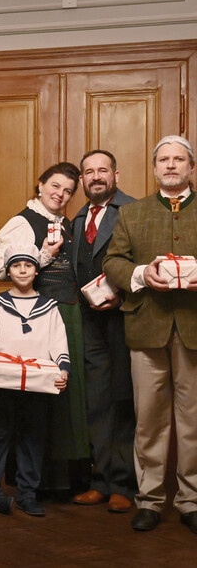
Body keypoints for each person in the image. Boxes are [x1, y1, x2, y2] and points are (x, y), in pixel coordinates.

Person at [103, 135, 197, 534]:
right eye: (164, 160)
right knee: (149, 422)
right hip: (145, 328)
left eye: (179, 159)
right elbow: (113, 261)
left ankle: (191, 501)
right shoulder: (132, 213)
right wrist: (142, 274)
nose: (171, 165)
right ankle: (150, 500)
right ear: (155, 168)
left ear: (191, 167)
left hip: (194, 329)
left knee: (193, 422)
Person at [0, 162, 90, 485]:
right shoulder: (22, 222)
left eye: (68, 191)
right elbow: (0, 269)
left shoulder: (67, 224)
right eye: (55, 186)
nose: (60, 194)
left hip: (68, 313)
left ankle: (64, 478)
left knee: (65, 390)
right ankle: (34, 479)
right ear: (40, 185)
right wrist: (43, 255)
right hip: (35, 315)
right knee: (37, 392)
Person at [0, 244, 69, 517]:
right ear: (8, 271)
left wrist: (63, 369)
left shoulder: (49, 307)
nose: (23, 270)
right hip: (4, 382)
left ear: (37, 270)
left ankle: (28, 493)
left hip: (37, 384)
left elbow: (58, 341)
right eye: (16, 265)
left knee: (32, 437)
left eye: (28, 265)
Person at [70, 150, 137, 513]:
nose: (96, 176)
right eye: (89, 172)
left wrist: (122, 294)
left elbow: (145, 264)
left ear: (115, 174)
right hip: (89, 324)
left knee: (123, 400)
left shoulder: (133, 210)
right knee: (96, 401)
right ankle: (101, 480)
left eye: (103, 170)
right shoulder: (78, 219)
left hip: (125, 319)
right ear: (82, 179)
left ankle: (124, 486)